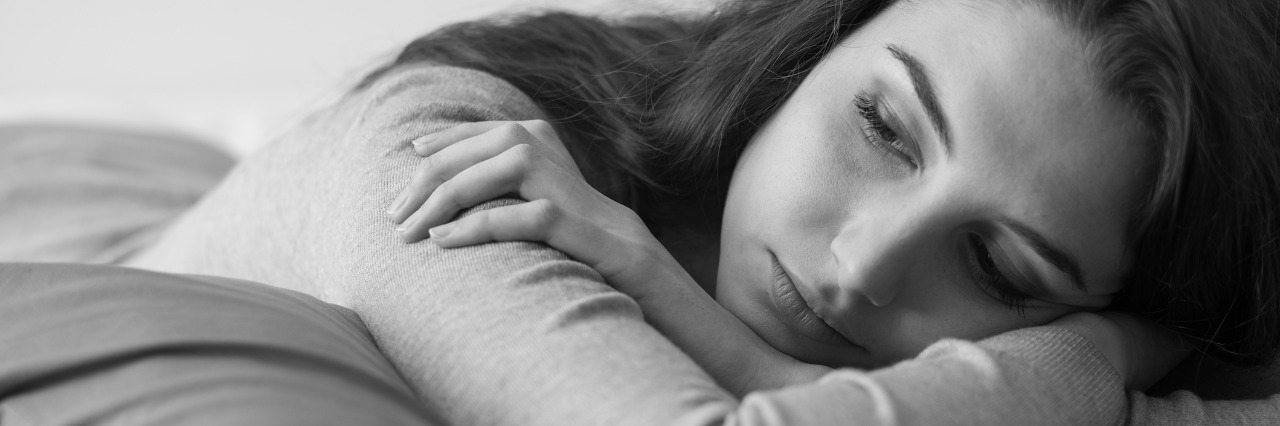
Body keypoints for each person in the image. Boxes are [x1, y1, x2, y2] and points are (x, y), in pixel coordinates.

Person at [113, 0, 1279, 424]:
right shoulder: (455, 160)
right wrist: (1115, 347)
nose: (862, 264)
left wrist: (1134, 337)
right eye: (881, 127)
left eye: (1000, 269)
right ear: (814, 42)